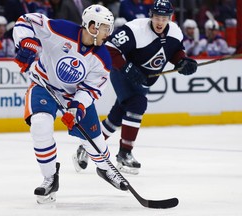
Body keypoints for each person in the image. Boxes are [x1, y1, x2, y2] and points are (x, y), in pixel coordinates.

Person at [13, 4, 127, 204]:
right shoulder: (60, 29)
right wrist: (27, 43)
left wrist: (76, 108)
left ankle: (106, 169)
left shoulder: (103, 58)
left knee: (96, 142)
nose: (108, 34)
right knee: (40, 125)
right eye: (105, 28)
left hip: (73, 96)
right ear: (92, 26)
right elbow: (25, 20)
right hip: (44, 84)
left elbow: (91, 89)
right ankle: (50, 178)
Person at [73, 0, 198, 175]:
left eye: (164, 18)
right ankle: (125, 153)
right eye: (157, 17)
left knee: (118, 116)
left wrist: (183, 62)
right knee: (137, 104)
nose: (160, 22)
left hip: (144, 79)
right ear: (151, 16)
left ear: (170, 18)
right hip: (122, 73)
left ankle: (87, 146)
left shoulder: (175, 31)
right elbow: (110, 48)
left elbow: (176, 51)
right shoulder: (135, 29)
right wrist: (127, 68)